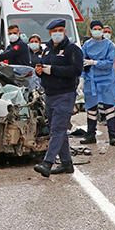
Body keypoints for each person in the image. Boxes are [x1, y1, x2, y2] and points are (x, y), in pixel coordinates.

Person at [33, 19, 84, 177]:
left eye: (60, 30)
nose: (57, 33)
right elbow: (41, 65)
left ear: (65, 31)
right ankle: (67, 164)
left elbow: (76, 70)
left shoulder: (72, 50)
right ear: (50, 32)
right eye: (55, 31)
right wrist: (39, 70)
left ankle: (47, 163)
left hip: (65, 95)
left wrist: (53, 70)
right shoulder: (47, 50)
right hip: (50, 95)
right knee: (58, 130)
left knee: (58, 129)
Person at [81, 20, 115, 146]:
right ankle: (90, 135)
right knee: (91, 109)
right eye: (94, 28)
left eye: (99, 28)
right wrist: (81, 79)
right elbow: (82, 62)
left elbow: (109, 63)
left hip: (106, 80)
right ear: (91, 30)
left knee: (109, 107)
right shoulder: (86, 45)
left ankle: (113, 136)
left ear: (102, 30)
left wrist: (95, 62)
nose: (97, 30)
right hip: (91, 80)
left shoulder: (110, 45)